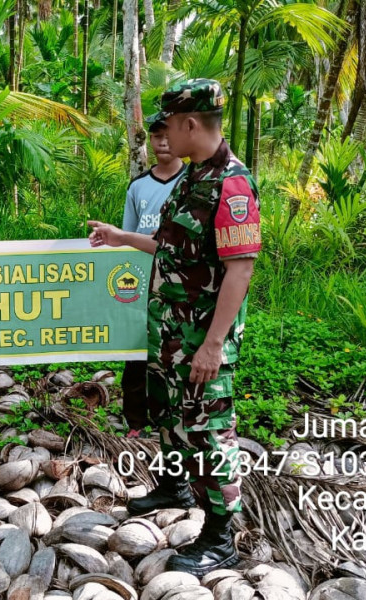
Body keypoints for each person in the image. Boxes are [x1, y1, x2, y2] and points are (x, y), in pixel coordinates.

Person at [88, 79, 260, 576]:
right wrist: (121, 237)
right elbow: (170, 246)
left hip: (201, 340)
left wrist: (213, 345)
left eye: (168, 126)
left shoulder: (231, 184)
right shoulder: (190, 178)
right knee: (169, 417)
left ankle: (220, 535)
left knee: (208, 432)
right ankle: (173, 486)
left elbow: (240, 270)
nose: (162, 135)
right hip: (169, 335)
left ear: (190, 124)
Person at [121, 116, 187, 438]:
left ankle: (171, 419)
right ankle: (135, 420)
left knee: (173, 348)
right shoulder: (138, 186)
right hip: (142, 279)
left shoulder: (192, 182)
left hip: (178, 281)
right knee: (136, 348)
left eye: (167, 135)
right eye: (156, 135)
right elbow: (127, 236)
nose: (162, 141)